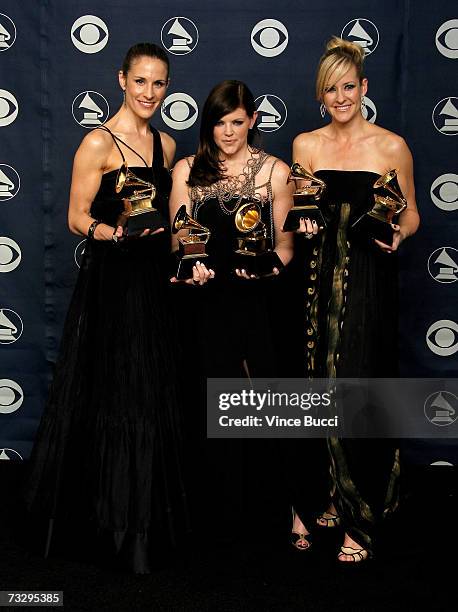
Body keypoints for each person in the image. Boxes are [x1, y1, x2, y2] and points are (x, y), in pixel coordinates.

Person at [24, 43, 188, 574]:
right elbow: (75, 216)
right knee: (112, 392)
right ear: (122, 79)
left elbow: (171, 218)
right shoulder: (98, 141)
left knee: (149, 395)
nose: (149, 93)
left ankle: (143, 526)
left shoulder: (167, 144)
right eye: (140, 81)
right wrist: (112, 233)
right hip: (112, 281)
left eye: (159, 83)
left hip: (156, 284)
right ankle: (106, 526)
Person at [290, 37, 420, 562]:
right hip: (317, 279)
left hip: (369, 280)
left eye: (348, 86)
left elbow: (410, 213)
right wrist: (299, 222)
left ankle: (361, 514)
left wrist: (400, 236)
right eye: (330, 88)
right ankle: (331, 493)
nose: (340, 97)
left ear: (363, 87)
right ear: (320, 94)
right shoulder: (306, 144)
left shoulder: (391, 146)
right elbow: (301, 209)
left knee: (359, 385)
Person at [169, 80, 294, 540]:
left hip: (258, 301)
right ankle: (214, 514)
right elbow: (179, 240)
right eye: (219, 122)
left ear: (253, 121)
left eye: (237, 122)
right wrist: (189, 266)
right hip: (205, 303)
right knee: (207, 399)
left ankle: (268, 509)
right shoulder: (186, 170)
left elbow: (285, 247)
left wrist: (269, 269)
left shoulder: (276, 172)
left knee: (260, 402)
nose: (227, 132)